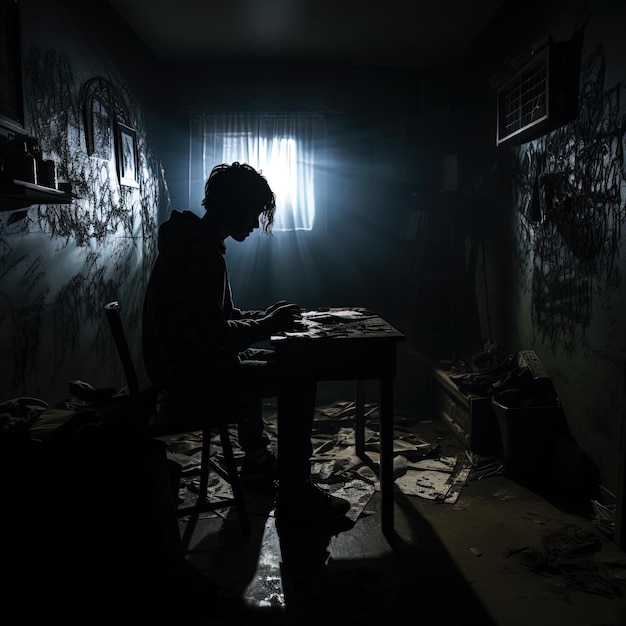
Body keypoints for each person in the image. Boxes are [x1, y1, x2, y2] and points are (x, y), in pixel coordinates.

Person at [142, 161, 350, 525]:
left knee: (267, 358)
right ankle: (297, 491)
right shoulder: (198, 251)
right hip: (187, 376)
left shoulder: (197, 241)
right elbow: (210, 337)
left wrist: (263, 317)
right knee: (299, 378)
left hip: (184, 364)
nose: (255, 224)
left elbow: (215, 318)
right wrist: (268, 323)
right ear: (236, 208)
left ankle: (256, 460)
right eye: (253, 213)